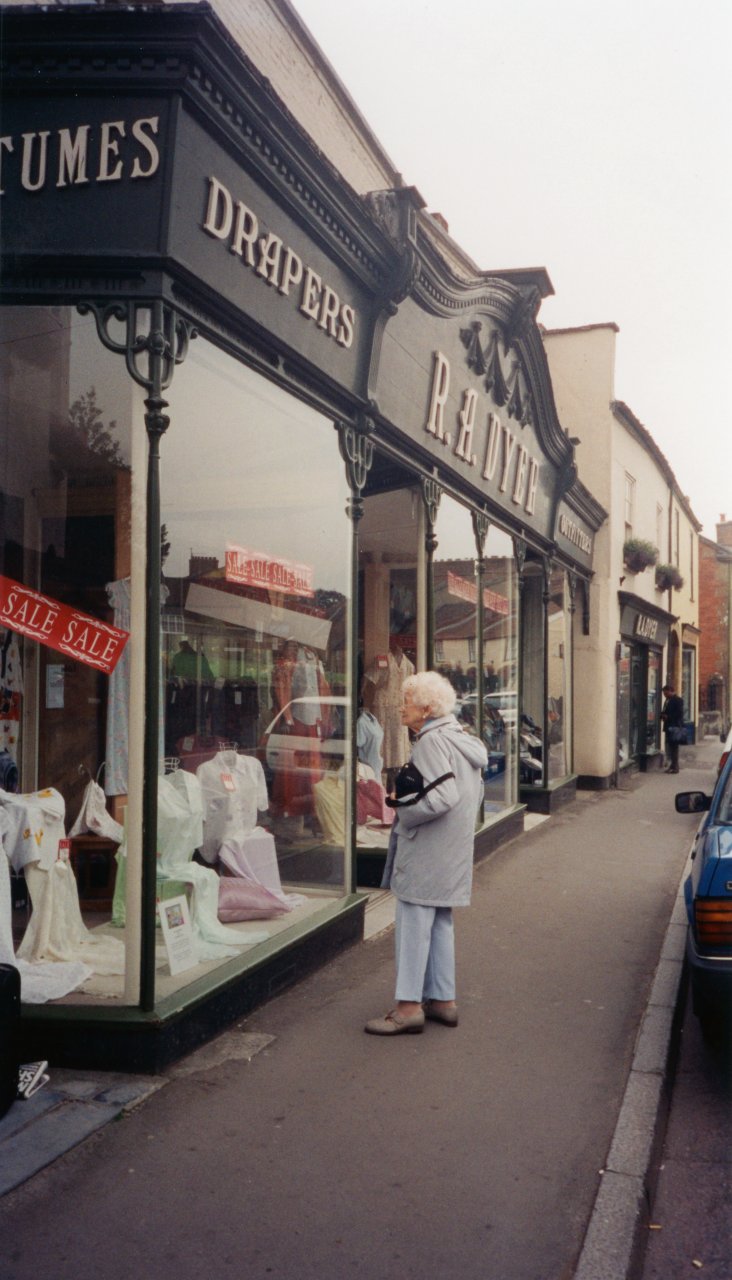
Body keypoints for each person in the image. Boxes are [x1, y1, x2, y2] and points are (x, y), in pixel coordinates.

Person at [365, 670, 487, 1036]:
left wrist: (404, 812)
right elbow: (469, 796)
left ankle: (407, 1008)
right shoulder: (460, 739)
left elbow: (443, 797)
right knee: (440, 923)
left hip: (426, 850)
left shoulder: (431, 742)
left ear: (427, 709)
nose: (400, 708)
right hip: (451, 850)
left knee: (413, 926)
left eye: (406, 702)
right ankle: (443, 1001)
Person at [661, 682, 685, 774]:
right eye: (664, 694)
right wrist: (662, 715)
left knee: (674, 747)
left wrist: (668, 717)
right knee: (670, 747)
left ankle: (675, 767)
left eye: (666, 693)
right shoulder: (667, 700)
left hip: (675, 727)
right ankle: (672, 766)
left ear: (671, 691)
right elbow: (665, 710)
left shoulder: (678, 700)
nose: (665, 695)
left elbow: (679, 714)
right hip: (668, 726)